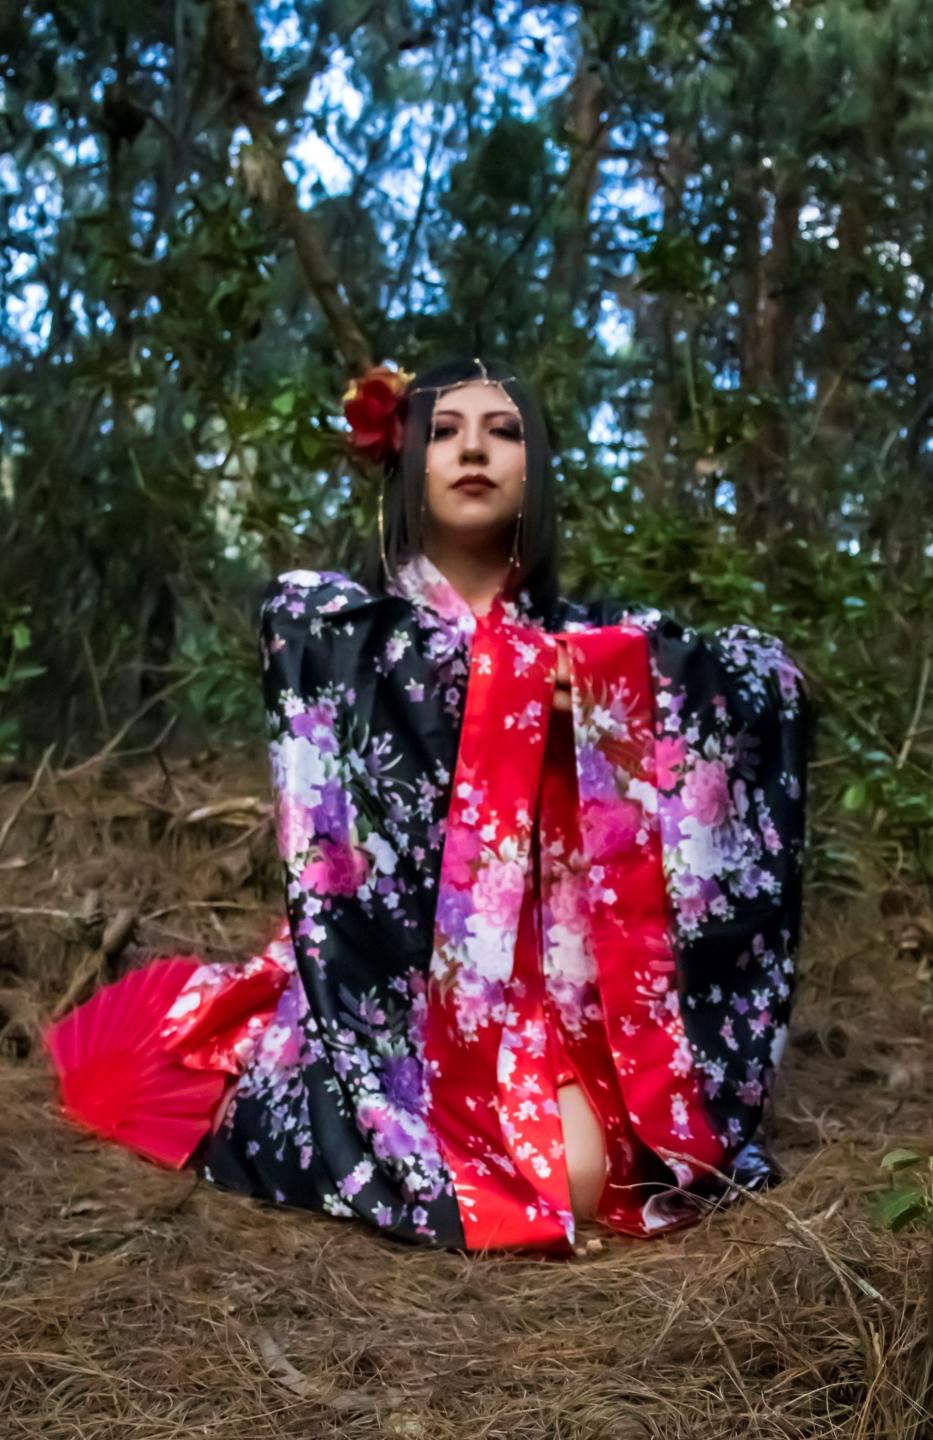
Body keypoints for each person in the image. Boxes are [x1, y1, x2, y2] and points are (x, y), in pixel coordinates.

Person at [46, 354, 809, 1256]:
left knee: (602, 1174)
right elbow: (305, 627)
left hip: (557, 998)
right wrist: (518, 684)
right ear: (408, 461)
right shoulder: (345, 629)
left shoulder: (595, 639)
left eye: (503, 431)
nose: (472, 450)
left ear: (535, 468)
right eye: (445, 432)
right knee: (501, 1176)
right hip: (394, 997)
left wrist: (618, 685)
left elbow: (767, 675)